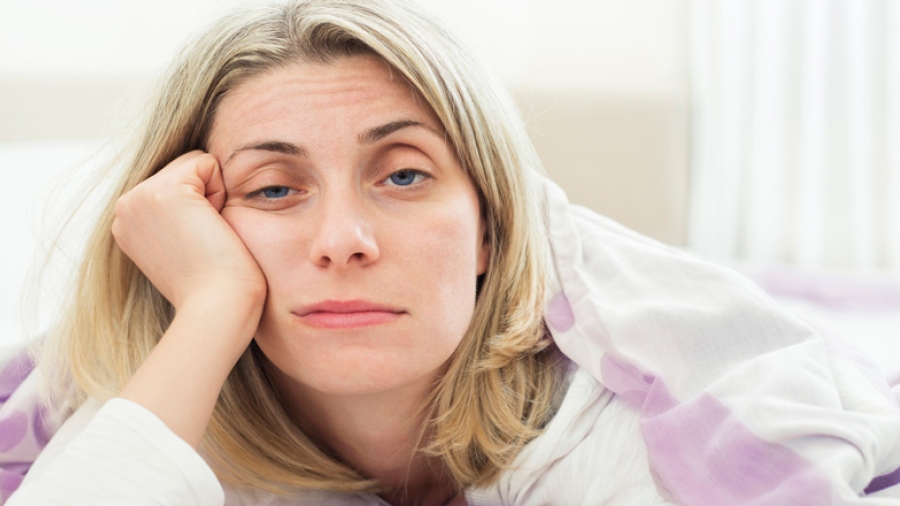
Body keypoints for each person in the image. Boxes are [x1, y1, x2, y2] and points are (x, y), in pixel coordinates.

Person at [2, 1, 900, 505]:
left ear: (490, 229)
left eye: (402, 177)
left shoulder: (622, 434)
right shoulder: (162, 416)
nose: (343, 242)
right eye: (273, 189)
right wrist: (208, 311)